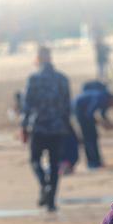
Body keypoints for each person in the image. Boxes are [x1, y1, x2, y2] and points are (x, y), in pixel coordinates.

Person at [20, 46, 72, 212]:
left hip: (39, 126)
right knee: (54, 163)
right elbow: (67, 106)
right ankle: (51, 201)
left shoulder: (34, 79)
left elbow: (27, 105)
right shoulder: (62, 79)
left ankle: (44, 184)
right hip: (57, 127)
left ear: (38, 59)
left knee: (35, 160)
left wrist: (24, 125)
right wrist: (66, 125)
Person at [74, 81, 113, 169]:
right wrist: (103, 124)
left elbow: (103, 115)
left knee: (93, 136)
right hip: (79, 109)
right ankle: (93, 163)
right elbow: (89, 113)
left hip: (85, 112)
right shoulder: (102, 97)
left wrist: (109, 124)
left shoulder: (107, 100)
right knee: (89, 137)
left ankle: (96, 162)